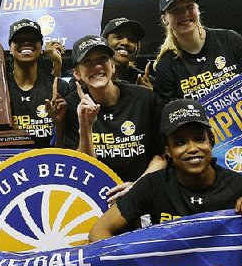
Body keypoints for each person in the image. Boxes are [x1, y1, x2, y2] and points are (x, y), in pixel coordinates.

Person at [89, 99, 242, 241]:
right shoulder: (152, 185)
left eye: (199, 139)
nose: (192, 148)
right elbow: (99, 231)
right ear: (168, 151)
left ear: (210, 142)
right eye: (180, 142)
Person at [55, 35, 165, 183]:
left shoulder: (145, 99)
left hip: (142, 191)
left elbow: (161, 156)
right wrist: (85, 126)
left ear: (112, 66)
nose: (97, 66)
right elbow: (82, 172)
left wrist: (136, 189)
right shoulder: (74, 105)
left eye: (103, 59)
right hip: (96, 195)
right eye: (87, 61)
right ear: (77, 73)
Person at [152, 0, 242, 103]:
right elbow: (170, 113)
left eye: (189, 6)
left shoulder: (230, 39)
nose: (184, 14)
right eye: (175, 10)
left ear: (198, 9)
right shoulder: (166, 65)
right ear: (164, 19)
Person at [6, 19, 70, 148]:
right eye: (19, 39)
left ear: (41, 48)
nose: (26, 42)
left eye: (33, 39)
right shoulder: (0, 87)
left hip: (49, 164)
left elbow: (68, 141)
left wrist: (58, 123)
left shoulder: (59, 87)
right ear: (10, 49)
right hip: (10, 165)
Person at [101, 17, 152, 87]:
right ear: (104, 42)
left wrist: (150, 96)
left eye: (132, 39)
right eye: (118, 37)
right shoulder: (92, 77)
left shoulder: (146, 80)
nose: (125, 42)